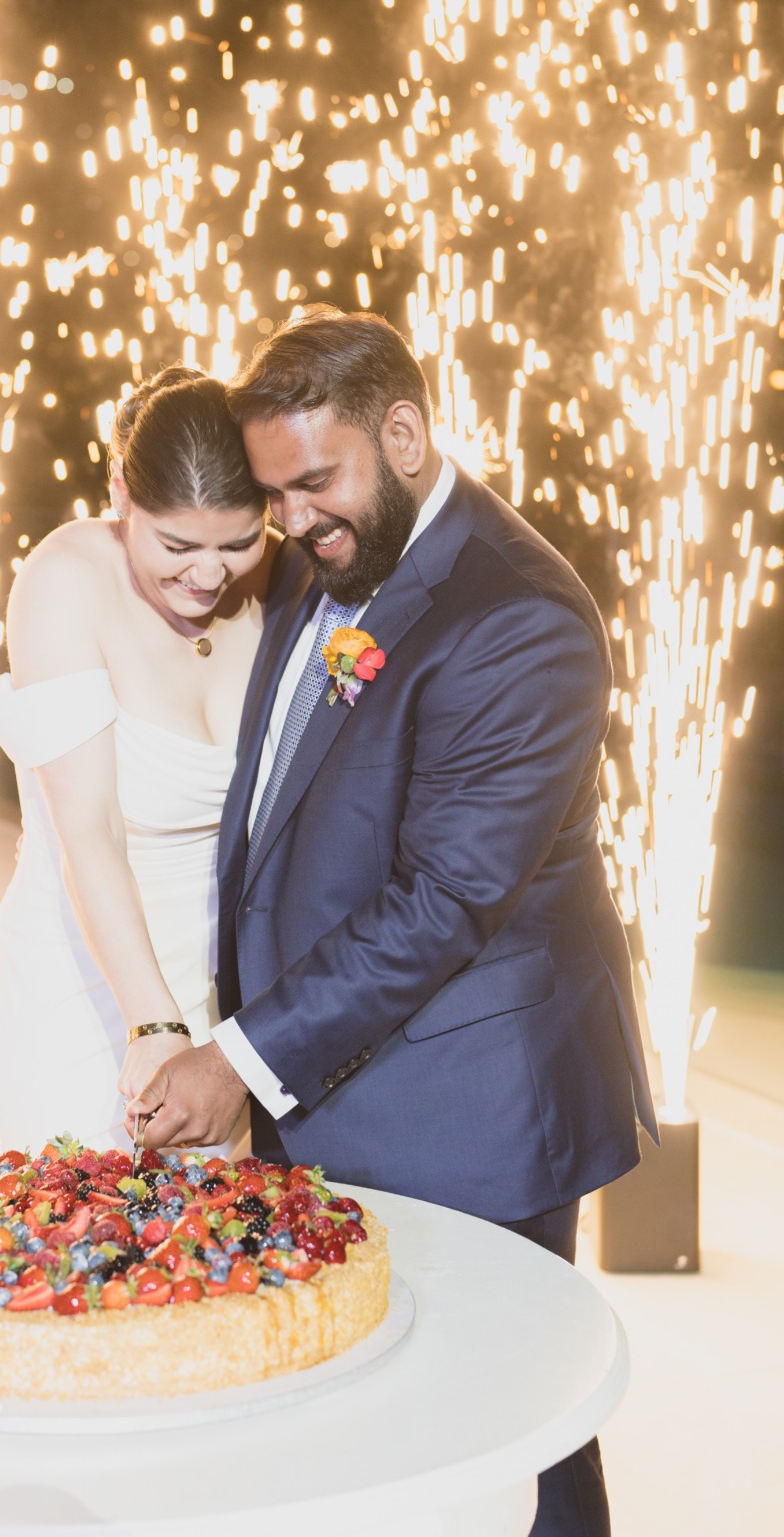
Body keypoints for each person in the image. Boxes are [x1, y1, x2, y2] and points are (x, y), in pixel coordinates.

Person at [126, 308, 657, 1537]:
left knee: (516, 1437)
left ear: (405, 432)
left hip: (467, 1104)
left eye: (316, 481)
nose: (296, 521)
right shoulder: (341, 555)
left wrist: (240, 1060)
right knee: (374, 1440)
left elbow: (443, 902)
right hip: (327, 1087)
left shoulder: (517, 616)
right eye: (276, 495)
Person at [0, 365, 277, 1153]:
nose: (208, 573)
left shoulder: (286, 580)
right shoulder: (67, 578)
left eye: (238, 542)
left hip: (232, 986)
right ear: (120, 495)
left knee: (218, 1256)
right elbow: (93, 833)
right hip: (86, 968)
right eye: (176, 544)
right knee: (78, 1232)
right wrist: (156, 1024)